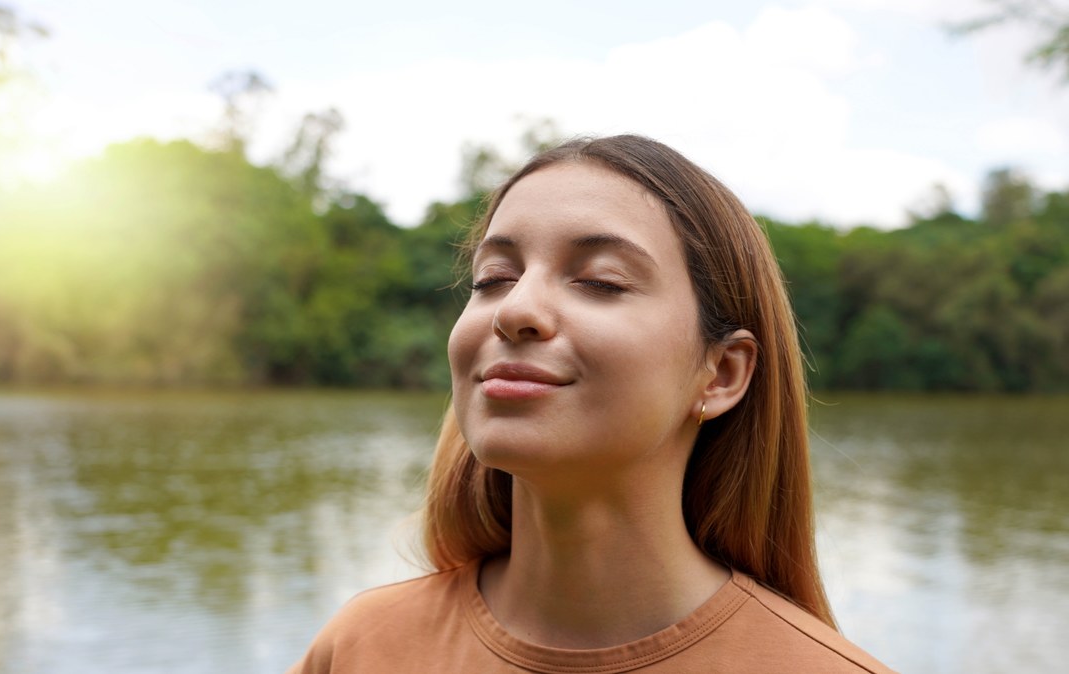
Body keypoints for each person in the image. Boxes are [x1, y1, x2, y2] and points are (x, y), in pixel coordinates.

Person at [289, 135, 894, 673]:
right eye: (493, 278)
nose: (514, 310)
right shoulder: (360, 648)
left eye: (601, 282)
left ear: (722, 374)